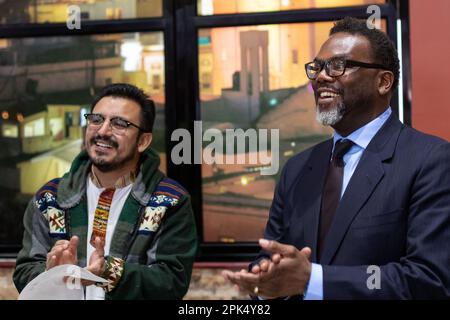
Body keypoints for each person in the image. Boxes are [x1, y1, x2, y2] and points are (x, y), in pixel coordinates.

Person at [223, 17, 450, 299]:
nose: (320, 76)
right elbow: (271, 257)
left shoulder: (429, 161)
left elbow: (428, 278)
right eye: (317, 67)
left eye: (338, 66)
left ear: (383, 81)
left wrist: (314, 280)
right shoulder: (297, 169)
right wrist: (264, 279)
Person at [13, 83, 198, 299]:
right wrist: (54, 273)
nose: (102, 131)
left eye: (119, 123)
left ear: (143, 141)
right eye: (96, 120)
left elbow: (171, 282)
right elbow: (24, 271)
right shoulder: (49, 198)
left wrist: (110, 271)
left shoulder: (170, 200)